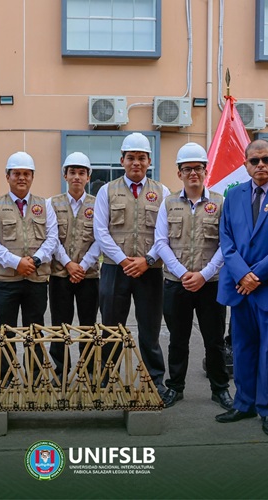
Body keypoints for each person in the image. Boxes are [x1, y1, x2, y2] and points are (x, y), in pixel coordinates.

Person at [215, 139, 268, 437]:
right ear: (246, 165)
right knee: (242, 348)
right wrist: (243, 274)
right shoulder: (233, 195)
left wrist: (257, 275)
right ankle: (244, 403)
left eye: (266, 160)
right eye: (255, 161)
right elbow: (226, 239)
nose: (261, 165)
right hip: (240, 288)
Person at [153, 142, 233, 409]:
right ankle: (175, 387)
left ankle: (220, 389)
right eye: (187, 169)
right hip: (177, 284)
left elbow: (226, 244)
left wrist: (204, 274)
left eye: (198, 168)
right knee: (178, 340)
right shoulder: (168, 203)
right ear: (179, 173)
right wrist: (184, 273)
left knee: (214, 340)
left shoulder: (220, 203)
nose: (193, 173)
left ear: (205, 171)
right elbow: (161, 242)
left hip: (211, 284)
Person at [93, 132, 170, 402]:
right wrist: (124, 260)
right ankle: (107, 378)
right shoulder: (106, 190)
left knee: (150, 328)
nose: (136, 162)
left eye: (141, 158)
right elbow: (101, 232)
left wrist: (146, 260)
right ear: (122, 160)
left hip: (150, 270)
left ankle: (154, 380)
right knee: (111, 327)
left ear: (149, 161)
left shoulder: (162, 192)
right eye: (131, 158)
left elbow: (165, 234)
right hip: (115, 269)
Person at [0, 151, 58, 382]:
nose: (22, 178)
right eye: (17, 173)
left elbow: (52, 238)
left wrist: (35, 261)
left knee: (35, 329)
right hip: (5, 281)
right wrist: (16, 263)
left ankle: (35, 376)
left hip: (36, 279)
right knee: (6, 330)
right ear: (8, 176)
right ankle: (7, 378)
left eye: (26, 174)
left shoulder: (45, 205)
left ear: (32, 177)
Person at [48, 152, 100, 376]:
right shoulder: (52, 204)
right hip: (60, 275)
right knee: (60, 325)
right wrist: (68, 264)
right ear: (65, 176)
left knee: (88, 325)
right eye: (72, 172)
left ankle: (88, 371)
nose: (76, 177)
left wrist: (83, 265)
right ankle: (61, 371)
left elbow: (101, 238)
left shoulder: (98, 204)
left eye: (81, 173)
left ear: (88, 177)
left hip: (89, 276)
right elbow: (51, 238)